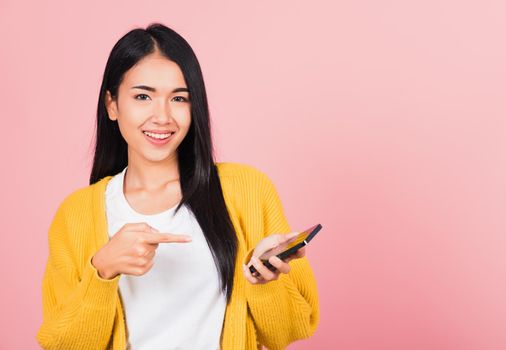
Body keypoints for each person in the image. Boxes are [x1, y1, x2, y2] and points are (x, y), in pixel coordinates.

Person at [36, 22, 319, 350]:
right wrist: (103, 271)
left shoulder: (247, 191)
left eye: (179, 98)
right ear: (112, 104)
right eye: (143, 96)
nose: (162, 116)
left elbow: (293, 329)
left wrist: (264, 282)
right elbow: (62, 344)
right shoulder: (76, 215)